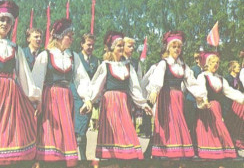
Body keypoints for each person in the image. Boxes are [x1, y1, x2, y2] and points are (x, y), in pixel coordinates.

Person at [0, 0, 40, 166]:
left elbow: (24, 76)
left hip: (8, 98)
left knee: (4, 133)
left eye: (9, 21)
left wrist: (34, 98)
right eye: (2, 20)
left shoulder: (15, 48)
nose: (5, 24)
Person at [32, 18, 91, 167]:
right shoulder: (45, 55)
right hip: (49, 100)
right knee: (50, 133)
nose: (72, 39)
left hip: (66, 99)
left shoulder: (74, 57)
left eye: (72, 36)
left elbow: (81, 79)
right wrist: (37, 102)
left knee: (65, 135)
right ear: (59, 36)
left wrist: (87, 98)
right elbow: (36, 80)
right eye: (69, 36)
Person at [88, 31, 152, 161]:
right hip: (110, 103)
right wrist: (89, 100)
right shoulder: (106, 65)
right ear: (112, 47)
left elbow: (135, 88)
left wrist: (143, 103)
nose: (122, 48)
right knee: (112, 134)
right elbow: (97, 85)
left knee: (127, 134)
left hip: (124, 103)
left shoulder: (128, 66)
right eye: (119, 46)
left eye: (123, 45)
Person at [144, 31, 208, 158]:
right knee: (167, 124)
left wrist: (201, 96)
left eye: (179, 47)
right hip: (166, 98)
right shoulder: (164, 63)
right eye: (174, 47)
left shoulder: (183, 66)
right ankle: (163, 152)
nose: (177, 49)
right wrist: (154, 91)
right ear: (168, 48)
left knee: (178, 124)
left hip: (178, 98)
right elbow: (157, 79)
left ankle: (177, 152)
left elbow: (192, 82)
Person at [196, 52, 244, 159]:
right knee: (209, 131)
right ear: (207, 64)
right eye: (213, 62)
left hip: (217, 108)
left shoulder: (220, 78)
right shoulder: (202, 76)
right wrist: (204, 100)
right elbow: (201, 90)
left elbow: (230, 91)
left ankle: (220, 154)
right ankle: (208, 155)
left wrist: (242, 98)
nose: (216, 64)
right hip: (206, 107)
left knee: (220, 129)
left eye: (217, 62)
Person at [70, 33, 100, 160]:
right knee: (75, 128)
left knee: (84, 128)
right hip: (75, 95)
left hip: (88, 98)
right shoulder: (75, 58)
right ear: (82, 44)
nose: (90, 47)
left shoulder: (96, 61)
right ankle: (72, 156)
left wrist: (95, 98)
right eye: (88, 44)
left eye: (93, 45)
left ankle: (83, 156)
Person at [224, 60, 244, 157]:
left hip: (238, 104)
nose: (239, 68)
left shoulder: (239, 79)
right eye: (237, 66)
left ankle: (238, 142)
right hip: (230, 104)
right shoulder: (227, 78)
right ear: (232, 68)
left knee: (239, 123)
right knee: (230, 123)